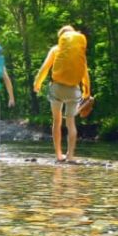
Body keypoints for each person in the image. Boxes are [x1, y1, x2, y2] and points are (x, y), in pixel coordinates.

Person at [33, 25, 91, 162]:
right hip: (73, 90)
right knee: (71, 123)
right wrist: (87, 91)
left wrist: (37, 83)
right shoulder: (79, 52)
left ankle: (59, 155)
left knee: (57, 120)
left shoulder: (56, 49)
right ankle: (70, 156)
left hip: (57, 88)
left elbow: (44, 68)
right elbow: (85, 74)